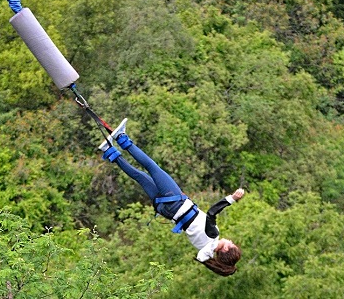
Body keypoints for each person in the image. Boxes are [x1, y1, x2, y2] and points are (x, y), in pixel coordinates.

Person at [98, 118, 244, 276]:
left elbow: (211, 213)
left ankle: (121, 137)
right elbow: (202, 258)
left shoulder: (213, 236)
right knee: (140, 177)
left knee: (152, 167)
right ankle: (109, 150)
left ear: (226, 249)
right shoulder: (203, 251)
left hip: (175, 200)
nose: (231, 241)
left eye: (232, 244)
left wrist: (231, 199)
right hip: (165, 210)